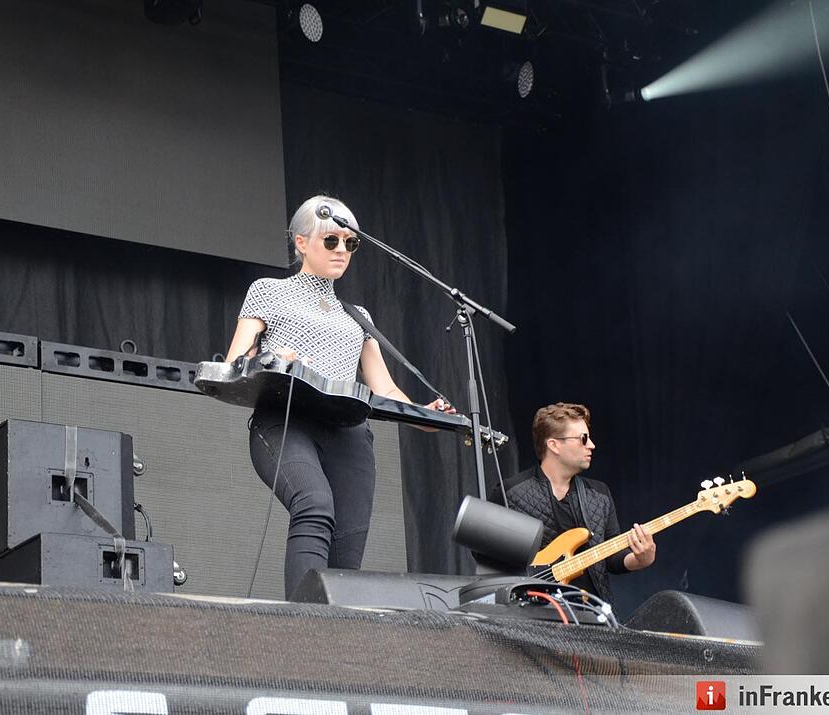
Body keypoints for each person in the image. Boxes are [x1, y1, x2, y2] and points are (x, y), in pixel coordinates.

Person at [225, 194, 454, 599]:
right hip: (286, 420)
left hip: (348, 433)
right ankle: (304, 622)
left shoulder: (358, 315)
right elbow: (233, 363)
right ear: (301, 243)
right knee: (313, 504)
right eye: (331, 240)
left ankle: (334, 628)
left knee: (347, 547)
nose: (341, 250)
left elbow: (384, 388)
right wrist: (271, 359)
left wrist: (425, 415)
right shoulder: (268, 291)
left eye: (351, 243)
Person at [490, 402, 655, 604]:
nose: (591, 445)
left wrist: (639, 560)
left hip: (592, 610)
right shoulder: (510, 493)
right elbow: (489, 561)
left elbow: (612, 558)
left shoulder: (599, 493)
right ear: (554, 445)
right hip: (532, 613)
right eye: (583, 439)